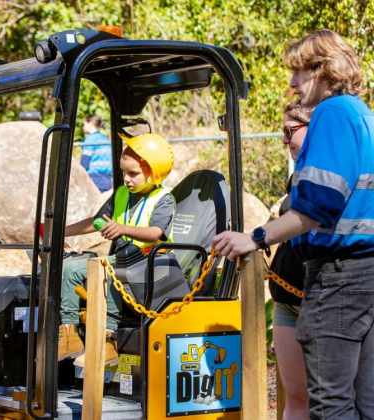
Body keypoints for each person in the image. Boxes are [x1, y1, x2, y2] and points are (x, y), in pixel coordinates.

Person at [212, 29, 374, 419]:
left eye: (299, 72)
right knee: (366, 400)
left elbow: (318, 204)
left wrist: (255, 237)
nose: (292, 83)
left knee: (331, 401)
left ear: (322, 70)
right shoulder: (363, 115)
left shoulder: (332, 114)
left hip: (340, 276)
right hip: (367, 273)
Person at [59, 133, 175, 367]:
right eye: (124, 173)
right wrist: (62, 231)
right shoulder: (122, 193)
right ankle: (69, 334)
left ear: (154, 172)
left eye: (133, 174)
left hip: (151, 262)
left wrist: (122, 229)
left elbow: (156, 233)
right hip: (122, 257)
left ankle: (108, 340)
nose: (127, 179)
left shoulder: (164, 198)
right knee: (69, 268)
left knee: (111, 273)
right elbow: (98, 221)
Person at [270, 102, 313, 420]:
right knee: (296, 399)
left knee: (333, 398)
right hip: (286, 300)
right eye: (282, 132)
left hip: (325, 301)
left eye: (291, 132)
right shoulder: (295, 177)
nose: (285, 141)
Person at [80, 115, 113, 192]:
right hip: (107, 180)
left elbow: (84, 162)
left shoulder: (90, 140)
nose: (83, 127)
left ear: (90, 123)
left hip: (94, 179)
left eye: (84, 124)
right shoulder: (104, 138)